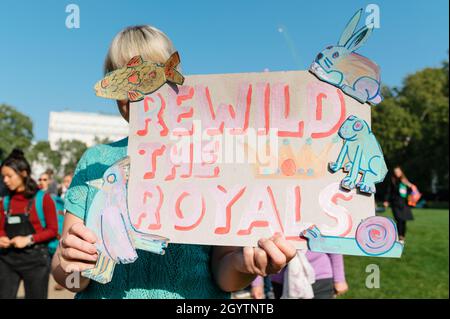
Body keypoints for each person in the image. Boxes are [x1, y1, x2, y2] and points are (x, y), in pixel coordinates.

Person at [50, 25, 297, 299]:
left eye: (149, 76)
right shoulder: (94, 161)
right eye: (124, 77)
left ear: (173, 81)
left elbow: (226, 276)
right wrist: (72, 265)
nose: (139, 91)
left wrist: (246, 264)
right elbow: (68, 278)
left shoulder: (213, 155)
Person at [0, 149, 58, 299]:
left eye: (9, 176)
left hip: (36, 260)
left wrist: (28, 239)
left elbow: (53, 230)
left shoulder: (43, 199)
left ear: (24, 173)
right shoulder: (5, 200)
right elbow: (0, 228)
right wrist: (1, 237)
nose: (5, 180)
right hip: (7, 259)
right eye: (3, 176)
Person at [269, 252, 348, 299]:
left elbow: (332, 242)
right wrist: (257, 283)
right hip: (280, 278)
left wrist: (339, 279)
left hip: (320, 276)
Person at [384, 166, 414, 243]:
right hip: (395, 203)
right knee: (399, 219)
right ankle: (399, 237)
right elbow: (389, 191)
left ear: (401, 172)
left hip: (404, 204)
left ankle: (402, 236)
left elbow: (411, 190)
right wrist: (386, 201)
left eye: (398, 171)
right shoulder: (393, 180)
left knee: (403, 221)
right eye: (395, 172)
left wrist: (408, 184)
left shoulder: (404, 180)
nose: (397, 173)